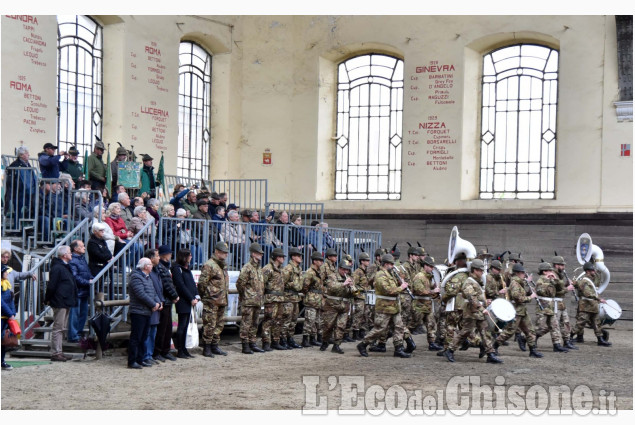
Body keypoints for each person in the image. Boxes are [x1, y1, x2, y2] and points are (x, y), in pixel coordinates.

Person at [444, 259, 502, 364]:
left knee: (485, 332)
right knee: (465, 332)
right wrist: (482, 308)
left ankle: (490, 354)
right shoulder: (468, 282)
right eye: (480, 270)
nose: (482, 272)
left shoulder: (477, 282)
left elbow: (478, 298)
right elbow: (472, 299)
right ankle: (450, 350)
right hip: (470, 312)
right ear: (475, 270)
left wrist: (485, 301)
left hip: (478, 311)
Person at [356, 254, 411, 358]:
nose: (392, 266)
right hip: (384, 307)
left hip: (394, 307)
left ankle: (398, 348)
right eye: (391, 264)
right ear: (386, 264)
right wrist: (401, 287)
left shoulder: (390, 274)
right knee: (380, 328)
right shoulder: (380, 275)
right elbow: (388, 290)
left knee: (399, 327)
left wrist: (401, 282)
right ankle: (363, 344)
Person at [493, 263, 544, 358]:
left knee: (530, 330)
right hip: (516, 311)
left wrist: (529, 291)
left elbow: (521, 294)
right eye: (522, 273)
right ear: (517, 273)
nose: (524, 274)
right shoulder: (515, 283)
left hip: (522, 311)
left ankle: (532, 350)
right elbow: (518, 298)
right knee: (509, 331)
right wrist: (530, 297)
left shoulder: (520, 283)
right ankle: (494, 347)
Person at [44, 246, 78, 362]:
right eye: (69, 253)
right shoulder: (58, 268)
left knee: (62, 328)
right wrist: (47, 298)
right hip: (60, 301)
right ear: (64, 255)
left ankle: (59, 351)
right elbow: (52, 285)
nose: (71, 254)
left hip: (65, 300)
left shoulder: (63, 267)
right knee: (58, 328)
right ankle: (55, 352)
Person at [127, 257, 161, 369]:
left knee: (143, 337)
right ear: (146, 266)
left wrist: (158, 302)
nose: (152, 266)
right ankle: (132, 361)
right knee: (136, 337)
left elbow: (153, 292)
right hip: (138, 311)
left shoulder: (147, 277)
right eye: (150, 264)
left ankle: (140, 359)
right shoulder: (136, 277)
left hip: (146, 311)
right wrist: (153, 304)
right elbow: (141, 294)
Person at [198, 242, 231, 357]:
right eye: (223, 252)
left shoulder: (223, 265)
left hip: (221, 300)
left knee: (219, 324)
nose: (226, 255)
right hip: (211, 300)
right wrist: (207, 296)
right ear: (217, 252)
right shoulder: (209, 265)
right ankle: (206, 347)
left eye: (226, 253)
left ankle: (214, 345)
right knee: (209, 324)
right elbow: (202, 283)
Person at [571, 262, 612, 347]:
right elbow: (587, 293)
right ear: (587, 271)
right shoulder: (584, 281)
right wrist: (599, 299)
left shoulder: (593, 279)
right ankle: (569, 337)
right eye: (592, 270)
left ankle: (600, 339)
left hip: (593, 305)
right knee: (580, 323)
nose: (594, 271)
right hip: (586, 306)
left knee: (596, 323)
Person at [320, 259, 356, 354]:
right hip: (332, 305)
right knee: (328, 326)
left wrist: (352, 288)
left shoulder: (349, 278)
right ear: (339, 268)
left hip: (344, 306)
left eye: (347, 270)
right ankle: (325, 341)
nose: (346, 272)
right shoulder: (332, 276)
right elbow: (331, 287)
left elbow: (353, 293)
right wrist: (343, 284)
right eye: (344, 269)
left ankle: (337, 345)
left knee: (341, 326)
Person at [408, 256, 443, 351]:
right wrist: (432, 290)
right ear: (425, 266)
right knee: (413, 324)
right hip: (419, 305)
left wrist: (436, 288)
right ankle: (406, 339)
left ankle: (432, 343)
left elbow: (429, 289)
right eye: (430, 267)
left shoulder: (428, 277)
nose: (432, 269)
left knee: (431, 324)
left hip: (427, 305)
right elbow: (419, 290)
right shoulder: (419, 276)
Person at [236, 243, 265, 354]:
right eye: (259, 253)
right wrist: (245, 295)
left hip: (257, 301)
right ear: (253, 254)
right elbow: (240, 283)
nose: (261, 255)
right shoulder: (247, 267)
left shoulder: (258, 269)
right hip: (249, 301)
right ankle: (245, 344)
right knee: (246, 323)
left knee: (255, 323)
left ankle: (252, 342)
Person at [171, 249, 199, 359]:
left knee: (185, 325)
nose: (191, 257)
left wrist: (196, 296)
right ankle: (180, 349)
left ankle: (184, 348)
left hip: (189, 300)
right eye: (189, 256)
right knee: (182, 326)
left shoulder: (186, 268)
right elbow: (181, 286)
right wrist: (191, 298)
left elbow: (192, 283)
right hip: (183, 301)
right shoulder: (177, 269)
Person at [153, 245, 179, 362]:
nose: (171, 255)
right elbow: (166, 284)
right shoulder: (161, 268)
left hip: (167, 301)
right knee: (162, 328)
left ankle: (165, 350)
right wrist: (174, 295)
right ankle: (158, 351)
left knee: (167, 328)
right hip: (164, 301)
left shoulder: (165, 267)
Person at [534, 262, 569, 352]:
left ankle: (557, 345)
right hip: (543, 307)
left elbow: (560, 288)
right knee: (540, 327)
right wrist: (547, 281)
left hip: (551, 307)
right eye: (548, 270)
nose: (551, 272)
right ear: (544, 272)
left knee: (555, 326)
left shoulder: (552, 279)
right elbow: (540, 291)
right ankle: (527, 339)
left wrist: (555, 280)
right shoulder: (540, 280)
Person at [141, 249, 165, 365]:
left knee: (153, 332)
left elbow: (157, 290)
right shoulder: (146, 274)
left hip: (156, 305)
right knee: (147, 333)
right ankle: (145, 355)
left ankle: (149, 355)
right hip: (149, 307)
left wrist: (159, 302)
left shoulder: (156, 271)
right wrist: (155, 303)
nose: (159, 258)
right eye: (157, 256)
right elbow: (146, 292)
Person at [5, 146, 38, 230]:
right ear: (21, 155)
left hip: (29, 193)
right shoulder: (15, 165)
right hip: (19, 193)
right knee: (18, 211)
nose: (29, 155)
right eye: (27, 153)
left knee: (31, 209)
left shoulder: (27, 164)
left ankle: (26, 227)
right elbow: (11, 181)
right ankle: (17, 228)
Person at [550, 255, 578, 350]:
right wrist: (567, 288)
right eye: (562, 265)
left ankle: (566, 341)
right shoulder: (552, 276)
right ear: (556, 265)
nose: (564, 267)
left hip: (561, 303)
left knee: (565, 323)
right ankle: (556, 344)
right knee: (554, 325)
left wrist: (566, 284)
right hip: (555, 303)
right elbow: (553, 292)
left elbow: (560, 288)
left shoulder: (560, 275)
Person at [261, 248, 287, 351]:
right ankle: (266, 342)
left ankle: (275, 341)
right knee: (268, 321)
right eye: (281, 257)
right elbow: (262, 283)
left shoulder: (280, 269)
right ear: (277, 258)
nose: (283, 259)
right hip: (271, 299)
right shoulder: (268, 269)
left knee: (278, 321)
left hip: (280, 298)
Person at [67, 240, 93, 343]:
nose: (84, 248)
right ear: (76, 249)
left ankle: (78, 333)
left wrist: (91, 279)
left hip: (84, 290)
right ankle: (73, 335)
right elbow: (75, 277)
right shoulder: (73, 260)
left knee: (83, 313)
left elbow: (86, 272)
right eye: (82, 246)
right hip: (77, 291)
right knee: (75, 314)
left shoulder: (82, 259)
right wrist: (88, 282)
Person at [281, 247, 304, 349]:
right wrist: (292, 284)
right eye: (299, 256)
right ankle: (283, 339)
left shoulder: (298, 268)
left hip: (295, 298)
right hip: (288, 297)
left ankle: (290, 338)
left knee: (293, 320)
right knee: (286, 319)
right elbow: (282, 283)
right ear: (293, 257)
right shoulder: (288, 269)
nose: (300, 257)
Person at [302, 252, 325, 347]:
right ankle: (305, 339)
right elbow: (304, 286)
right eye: (319, 260)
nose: (321, 262)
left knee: (317, 321)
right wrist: (310, 294)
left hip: (318, 299)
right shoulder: (310, 272)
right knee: (309, 320)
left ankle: (313, 338)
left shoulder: (319, 272)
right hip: (312, 299)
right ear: (314, 261)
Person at [87, 222, 114, 297]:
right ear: (95, 231)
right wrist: (108, 257)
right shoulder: (92, 242)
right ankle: (94, 304)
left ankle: (99, 304)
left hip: (103, 266)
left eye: (103, 230)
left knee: (101, 287)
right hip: (96, 267)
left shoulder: (102, 241)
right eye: (100, 230)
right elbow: (98, 255)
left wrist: (108, 256)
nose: (103, 232)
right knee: (96, 287)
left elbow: (108, 253)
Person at [349, 252, 371, 341]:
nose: (368, 262)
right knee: (358, 314)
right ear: (362, 261)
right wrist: (358, 293)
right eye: (366, 260)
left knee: (365, 314)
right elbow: (353, 285)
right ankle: (355, 332)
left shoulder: (365, 272)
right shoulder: (357, 272)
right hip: (359, 297)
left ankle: (362, 331)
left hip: (364, 297)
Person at [2, 265, 17, 370]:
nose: (7, 273)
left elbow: (11, 299)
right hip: (3, 315)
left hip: (5, 317)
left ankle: (2, 361)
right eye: (5, 272)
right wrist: (10, 313)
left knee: (3, 341)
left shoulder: (6, 284)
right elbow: (1, 303)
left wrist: (13, 313)